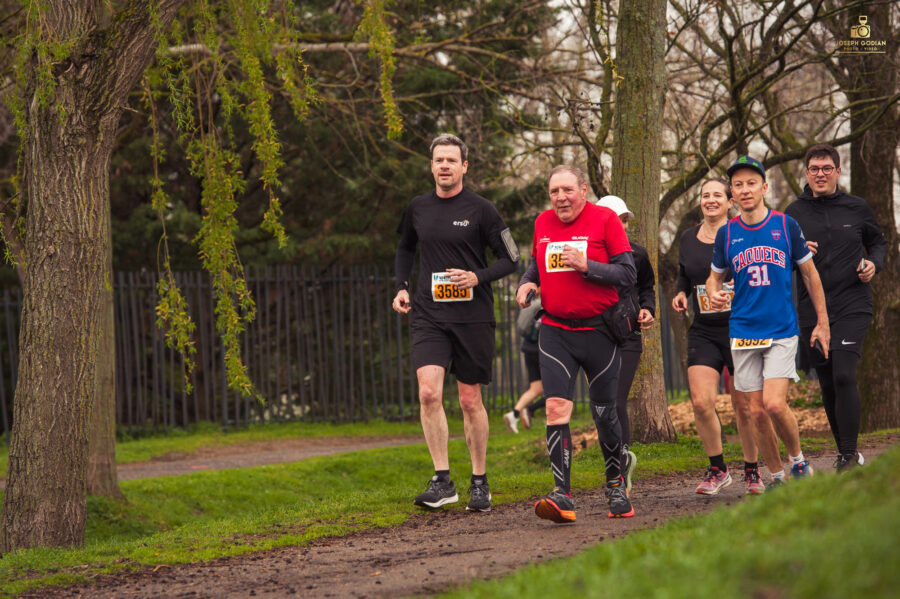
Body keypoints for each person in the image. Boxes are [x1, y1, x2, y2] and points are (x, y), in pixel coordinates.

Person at [392, 133, 519, 512]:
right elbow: (405, 248)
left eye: (451, 160)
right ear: (431, 166)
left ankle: (479, 481)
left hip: (472, 316)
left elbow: (511, 259)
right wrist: (401, 287)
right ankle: (442, 480)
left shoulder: (482, 209)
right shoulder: (417, 207)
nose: (444, 166)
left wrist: (476, 276)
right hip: (429, 314)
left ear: (464, 166)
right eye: (438, 160)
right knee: (428, 393)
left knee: (469, 400)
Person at [516, 165, 637, 522]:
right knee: (555, 408)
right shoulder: (542, 223)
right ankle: (562, 495)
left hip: (600, 331)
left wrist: (588, 266)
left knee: (604, 412)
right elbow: (536, 266)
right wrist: (527, 283)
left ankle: (615, 483)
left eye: (567, 190)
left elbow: (627, 273)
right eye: (554, 191)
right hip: (556, 331)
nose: (561, 198)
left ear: (583, 190)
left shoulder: (605, 221)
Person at [706, 156, 830, 486]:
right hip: (744, 331)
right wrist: (715, 292)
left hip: (780, 330)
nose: (745, 190)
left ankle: (798, 461)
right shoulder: (726, 234)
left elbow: (809, 274)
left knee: (774, 405)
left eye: (751, 183)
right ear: (731, 194)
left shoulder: (785, 226)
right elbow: (714, 278)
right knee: (755, 411)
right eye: (738, 185)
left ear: (763, 187)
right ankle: (776, 476)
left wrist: (822, 322)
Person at [672, 179, 779, 495]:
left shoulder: (742, 234)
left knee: (745, 406)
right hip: (704, 330)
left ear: (729, 200)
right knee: (701, 402)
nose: (711, 200)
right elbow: (684, 272)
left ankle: (751, 469)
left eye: (717, 195)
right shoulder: (688, 238)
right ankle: (718, 469)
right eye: (705, 195)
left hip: (741, 327)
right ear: (700, 201)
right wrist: (680, 292)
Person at [784, 144, 886, 472]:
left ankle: (847, 455)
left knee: (844, 374)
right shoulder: (792, 214)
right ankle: (846, 452)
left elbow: (878, 242)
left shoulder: (857, 207)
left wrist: (874, 263)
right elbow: (779, 260)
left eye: (827, 168)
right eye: (814, 168)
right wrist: (795, 254)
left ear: (838, 172)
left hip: (852, 302)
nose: (820, 174)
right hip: (811, 308)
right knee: (827, 381)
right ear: (806, 173)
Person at [594, 195, 656, 456]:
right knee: (601, 405)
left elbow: (647, 288)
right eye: (617, 220)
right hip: (595, 335)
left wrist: (647, 309)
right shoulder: (586, 255)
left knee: (617, 400)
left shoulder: (637, 253)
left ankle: (622, 463)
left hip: (628, 335)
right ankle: (611, 461)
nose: (623, 226)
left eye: (625, 221)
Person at [504, 297, 544, 434]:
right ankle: (546, 419)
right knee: (559, 388)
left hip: (528, 348)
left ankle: (514, 414)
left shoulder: (532, 303)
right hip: (541, 349)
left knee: (536, 388)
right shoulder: (544, 304)